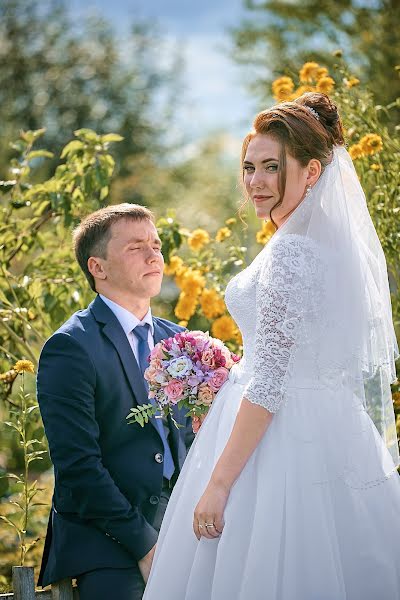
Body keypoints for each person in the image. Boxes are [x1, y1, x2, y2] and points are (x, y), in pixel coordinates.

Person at [143, 93, 400, 600]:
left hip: (278, 437)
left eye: (270, 168)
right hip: (329, 424)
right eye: (248, 167)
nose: (255, 182)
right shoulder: (318, 248)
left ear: (311, 172)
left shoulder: (292, 255)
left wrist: (218, 484)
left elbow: (272, 382)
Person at [37, 204, 193, 600]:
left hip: (186, 535)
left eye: (155, 244)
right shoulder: (71, 347)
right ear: (98, 267)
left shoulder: (181, 341)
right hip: (109, 547)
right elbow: (78, 467)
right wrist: (145, 545)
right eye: (135, 247)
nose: (154, 254)